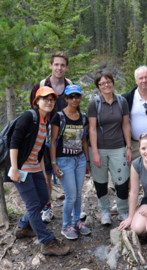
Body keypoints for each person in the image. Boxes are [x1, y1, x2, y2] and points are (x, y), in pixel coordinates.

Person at [7, 86, 70, 256]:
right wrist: (14, 168)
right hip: (21, 169)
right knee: (33, 205)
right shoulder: (29, 116)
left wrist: (42, 171)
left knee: (43, 199)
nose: (49, 102)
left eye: (52, 99)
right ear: (37, 101)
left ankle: (21, 227)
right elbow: (15, 141)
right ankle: (47, 242)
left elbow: (40, 150)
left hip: (35, 168)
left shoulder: (45, 121)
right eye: (45, 99)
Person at [29, 51, 76, 223]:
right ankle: (47, 207)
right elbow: (34, 111)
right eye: (56, 64)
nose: (59, 68)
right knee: (45, 174)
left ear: (66, 67)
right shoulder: (40, 86)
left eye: (62, 65)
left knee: (67, 170)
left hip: (65, 135)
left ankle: (71, 206)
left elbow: (75, 108)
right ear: (50, 65)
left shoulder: (70, 85)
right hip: (43, 135)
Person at [88, 70, 132, 225]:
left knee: (122, 180)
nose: (106, 85)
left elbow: (126, 125)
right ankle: (105, 210)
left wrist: (128, 147)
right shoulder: (95, 103)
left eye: (108, 82)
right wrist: (94, 152)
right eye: (102, 83)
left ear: (113, 82)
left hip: (118, 147)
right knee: (100, 181)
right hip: (99, 148)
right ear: (98, 87)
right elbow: (92, 128)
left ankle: (122, 210)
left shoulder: (122, 102)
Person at [50, 84, 91, 240]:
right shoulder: (58, 117)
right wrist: (54, 164)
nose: (74, 99)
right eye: (71, 96)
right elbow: (53, 141)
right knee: (71, 196)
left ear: (80, 98)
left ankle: (77, 222)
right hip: (63, 160)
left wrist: (87, 161)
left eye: (77, 96)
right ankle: (66, 226)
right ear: (65, 98)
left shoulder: (83, 117)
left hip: (79, 159)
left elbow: (84, 141)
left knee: (78, 195)